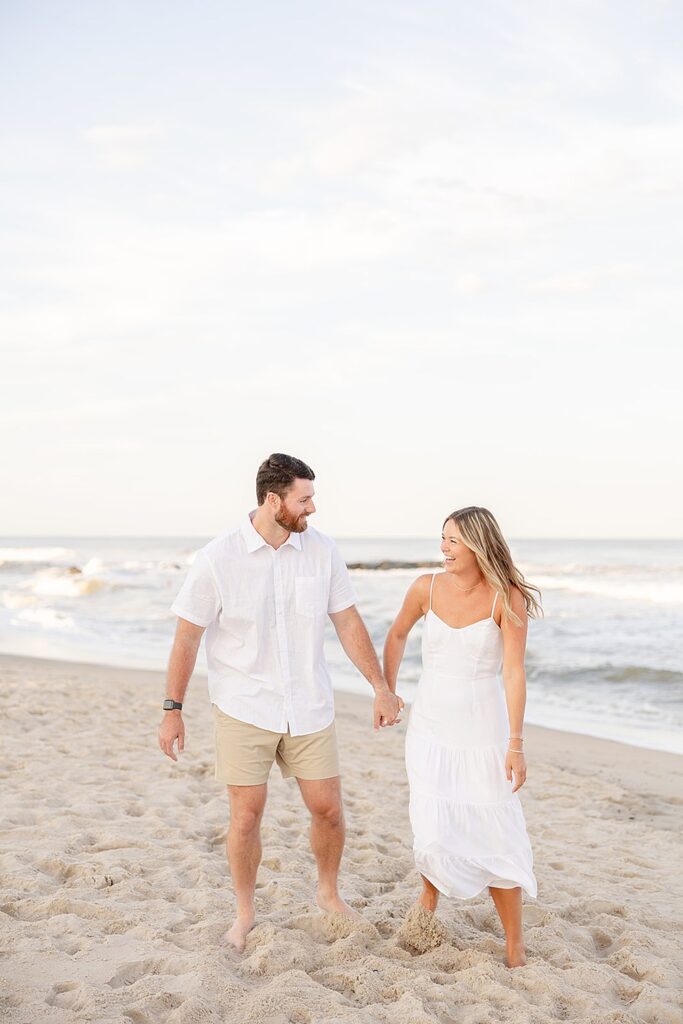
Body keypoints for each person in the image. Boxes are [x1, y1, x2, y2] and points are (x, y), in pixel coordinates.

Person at [158, 453, 404, 952]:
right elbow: (186, 639)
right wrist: (172, 709)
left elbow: (349, 622)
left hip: (309, 704)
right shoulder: (217, 558)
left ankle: (328, 893)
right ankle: (244, 913)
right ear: (274, 500)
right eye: (304, 499)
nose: (312, 509)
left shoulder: (322, 551)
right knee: (246, 816)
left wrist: (381, 687)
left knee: (328, 809)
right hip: (243, 706)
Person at [383, 506, 541, 968]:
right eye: (443, 539)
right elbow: (396, 636)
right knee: (432, 825)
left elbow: (513, 673)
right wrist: (386, 692)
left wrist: (516, 744)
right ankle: (427, 909)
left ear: (477, 544)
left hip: (483, 731)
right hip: (430, 727)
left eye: (452, 540)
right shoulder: (425, 587)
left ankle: (515, 943)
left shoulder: (505, 597)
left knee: (495, 828)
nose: (443, 549)